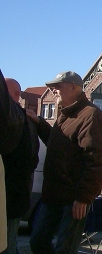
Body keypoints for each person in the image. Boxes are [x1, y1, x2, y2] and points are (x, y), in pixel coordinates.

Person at [27, 71, 102, 254]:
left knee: (65, 248)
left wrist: (83, 198)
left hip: (73, 198)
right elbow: (59, 145)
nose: (53, 90)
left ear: (74, 87)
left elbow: (96, 160)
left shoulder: (91, 115)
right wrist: (39, 123)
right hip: (53, 195)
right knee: (37, 240)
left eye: (58, 86)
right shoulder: (64, 114)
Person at [1, 78, 39, 254]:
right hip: (16, 196)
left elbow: (28, 159)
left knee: (8, 245)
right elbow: (32, 159)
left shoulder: (19, 121)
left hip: (10, 196)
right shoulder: (26, 121)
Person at [0, 70, 25, 252]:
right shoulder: (17, 118)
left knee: (9, 243)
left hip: (13, 193)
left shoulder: (18, 117)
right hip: (12, 191)